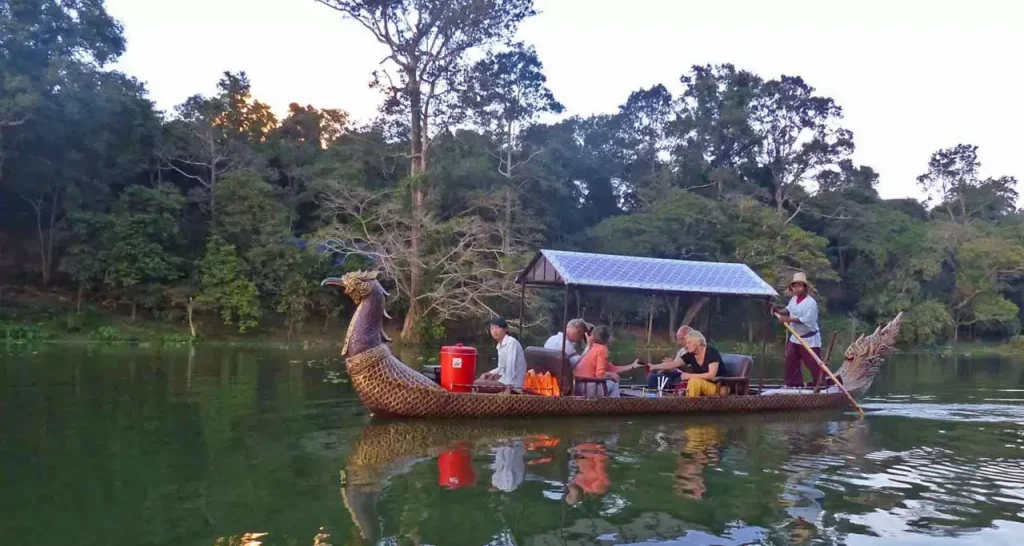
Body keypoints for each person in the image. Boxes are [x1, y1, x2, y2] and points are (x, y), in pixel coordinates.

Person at [774, 272, 823, 388]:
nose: (797, 288)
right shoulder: (794, 299)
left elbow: (805, 320)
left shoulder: (811, 303)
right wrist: (777, 310)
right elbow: (788, 310)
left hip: (809, 339)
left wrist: (787, 319)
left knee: (813, 364)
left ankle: (820, 384)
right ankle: (794, 384)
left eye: (800, 285)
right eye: (794, 286)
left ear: (805, 287)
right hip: (795, 337)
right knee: (790, 360)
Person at [572, 325, 641, 397]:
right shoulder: (602, 349)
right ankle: (613, 405)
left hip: (579, 386)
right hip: (588, 387)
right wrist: (610, 375)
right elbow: (600, 375)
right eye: (611, 336)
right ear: (606, 338)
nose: (612, 339)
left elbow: (613, 368)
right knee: (614, 383)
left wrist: (632, 366)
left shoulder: (594, 348)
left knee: (611, 381)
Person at [474, 317, 527, 390]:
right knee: (483, 377)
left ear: (505, 329)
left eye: (497, 328)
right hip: (503, 379)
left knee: (477, 383)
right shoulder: (499, 346)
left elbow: (510, 366)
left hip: (512, 384)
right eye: (492, 328)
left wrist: (507, 387)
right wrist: (489, 373)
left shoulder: (511, 342)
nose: (494, 331)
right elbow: (501, 367)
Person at [643, 325, 692, 390]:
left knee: (658, 378)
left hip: (686, 377)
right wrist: (660, 368)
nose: (679, 342)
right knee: (653, 376)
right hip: (677, 374)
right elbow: (675, 364)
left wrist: (675, 367)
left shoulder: (696, 352)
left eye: (682, 339)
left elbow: (689, 369)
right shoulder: (682, 351)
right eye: (678, 339)